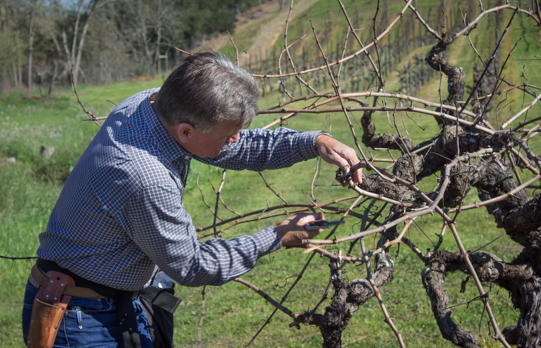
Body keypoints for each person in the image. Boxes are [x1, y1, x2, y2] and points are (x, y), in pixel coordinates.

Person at [22, 52, 362, 348]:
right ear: (186, 132)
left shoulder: (153, 105)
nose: (235, 140)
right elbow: (194, 265)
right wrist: (275, 237)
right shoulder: (143, 174)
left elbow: (237, 146)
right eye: (228, 133)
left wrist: (313, 141)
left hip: (107, 300)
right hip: (82, 320)